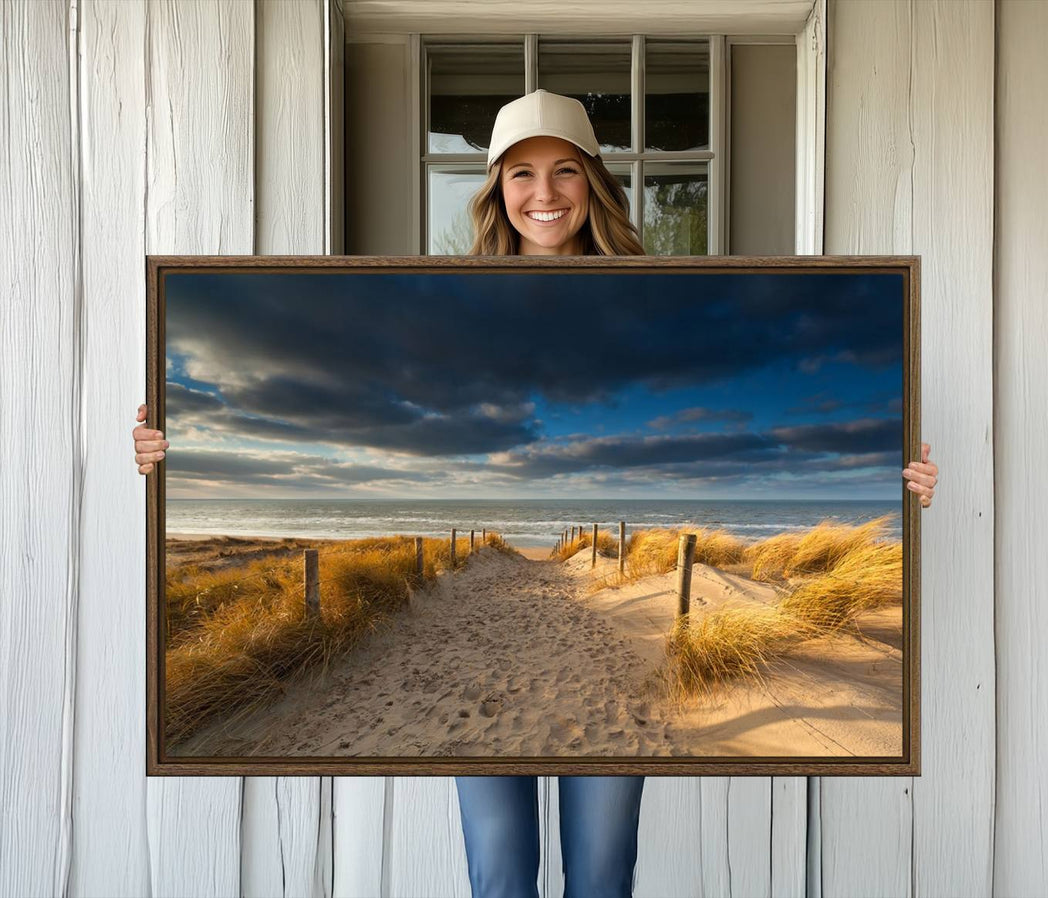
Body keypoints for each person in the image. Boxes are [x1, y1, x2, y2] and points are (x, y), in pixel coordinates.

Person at [131, 90, 940, 897]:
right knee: (501, 873)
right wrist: (169, 446)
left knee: (601, 873)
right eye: (521, 173)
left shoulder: (657, 294)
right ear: (495, 189)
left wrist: (898, 481)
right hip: (482, 680)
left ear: (593, 181)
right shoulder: (447, 302)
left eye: (564, 171)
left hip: (605, 700)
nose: (544, 193)